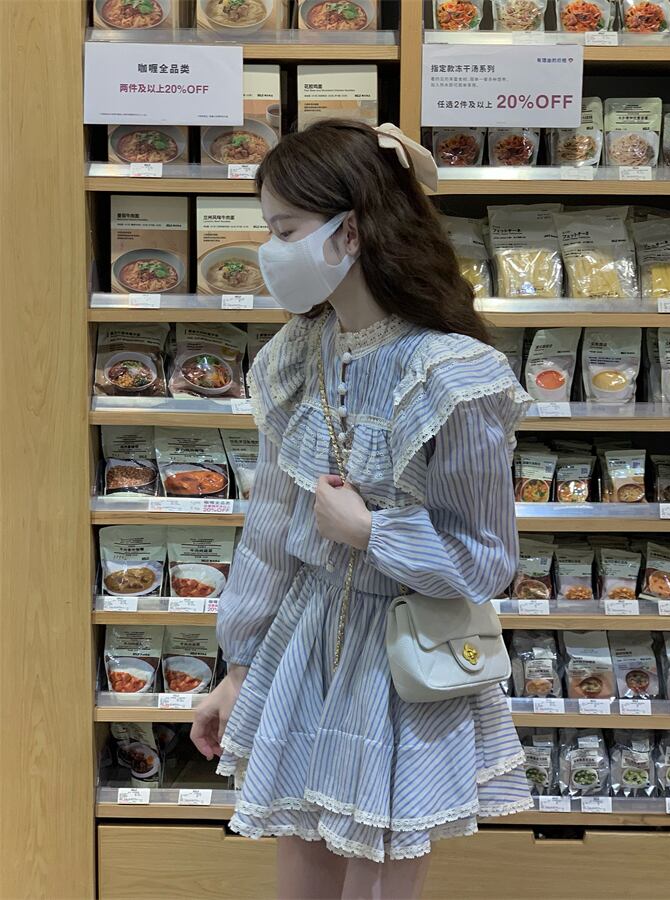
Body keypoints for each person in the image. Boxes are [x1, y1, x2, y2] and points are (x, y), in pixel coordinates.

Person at [191, 119, 534, 899]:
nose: (270, 250)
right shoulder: (293, 356)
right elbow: (268, 532)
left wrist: (372, 532)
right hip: (303, 646)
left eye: (284, 230)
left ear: (348, 233)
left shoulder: (453, 375)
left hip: (404, 663)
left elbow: (485, 558)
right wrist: (236, 668)